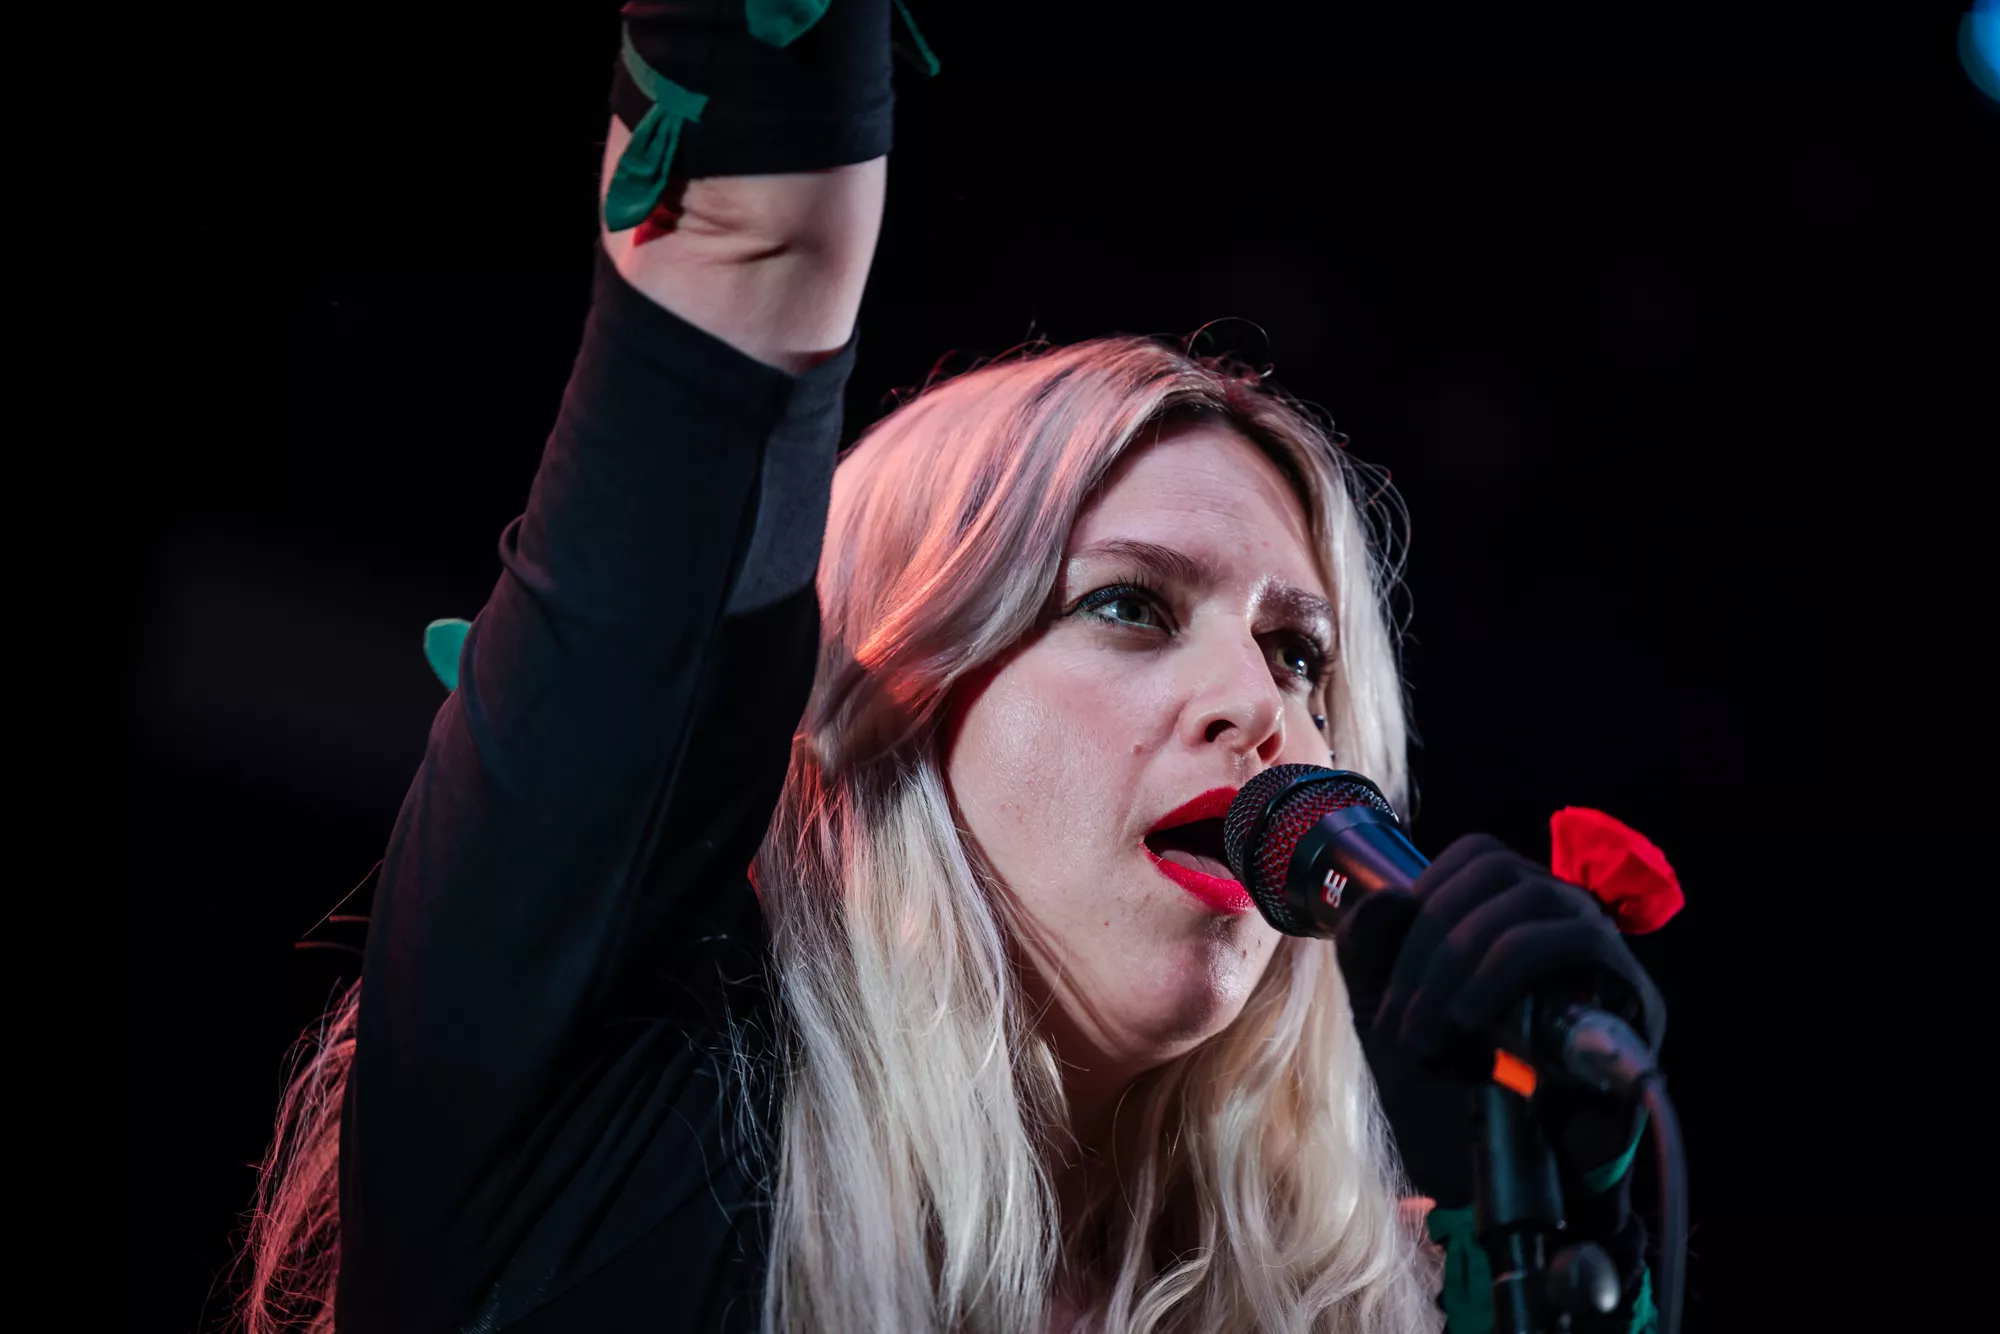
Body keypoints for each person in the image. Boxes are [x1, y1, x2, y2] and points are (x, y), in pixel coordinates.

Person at [240, 5, 1667, 1331]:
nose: (1264, 709)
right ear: (882, 700)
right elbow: (739, 259)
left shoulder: (1367, 1301)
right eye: (1129, 605)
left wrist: (1550, 1226)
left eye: (1300, 652)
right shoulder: (606, 1130)